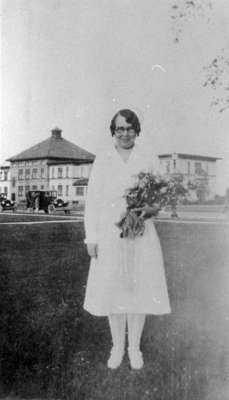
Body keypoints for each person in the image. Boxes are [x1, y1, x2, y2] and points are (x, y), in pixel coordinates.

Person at [84, 109, 171, 370]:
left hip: (140, 230)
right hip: (110, 231)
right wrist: (91, 237)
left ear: (137, 130)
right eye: (120, 128)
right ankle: (117, 347)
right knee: (113, 287)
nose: (125, 133)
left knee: (139, 287)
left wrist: (151, 209)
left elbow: (162, 195)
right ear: (113, 131)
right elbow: (93, 201)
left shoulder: (148, 157)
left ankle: (134, 348)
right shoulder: (104, 159)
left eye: (129, 128)